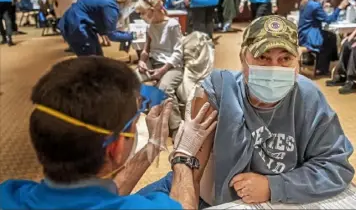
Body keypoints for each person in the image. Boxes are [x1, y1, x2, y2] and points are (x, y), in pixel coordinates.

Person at [146, 15, 355, 207]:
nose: (274, 68)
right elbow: (191, 176)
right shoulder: (219, 91)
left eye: (285, 59)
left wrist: (274, 186)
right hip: (206, 200)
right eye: (263, 58)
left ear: (297, 63)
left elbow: (336, 166)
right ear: (242, 58)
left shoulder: (308, 98)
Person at [0, 56, 218, 209]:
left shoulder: (8, 194)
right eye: (135, 123)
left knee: (167, 182)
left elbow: (93, 197)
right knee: (175, 181)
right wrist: (183, 156)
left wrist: (152, 147)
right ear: (115, 146)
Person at [136, 0, 184, 136]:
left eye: (143, 13)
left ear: (153, 10)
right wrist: (142, 61)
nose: (142, 16)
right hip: (153, 62)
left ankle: (176, 128)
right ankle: (142, 114)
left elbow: (178, 52)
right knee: (131, 80)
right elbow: (146, 49)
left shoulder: (172, 25)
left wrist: (162, 70)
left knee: (164, 89)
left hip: (171, 65)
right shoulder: (150, 26)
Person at [58, 0, 138, 56]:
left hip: (76, 23)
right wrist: (132, 36)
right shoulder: (111, 7)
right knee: (91, 60)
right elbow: (112, 35)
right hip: (77, 28)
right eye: (129, 5)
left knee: (98, 57)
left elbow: (104, 28)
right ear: (126, 1)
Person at [298, 0, 350, 76]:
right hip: (310, 35)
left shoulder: (305, 2)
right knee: (330, 38)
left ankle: (324, 65)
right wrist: (340, 7)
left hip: (303, 33)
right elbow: (329, 20)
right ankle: (322, 68)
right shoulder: (315, 5)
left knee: (331, 36)